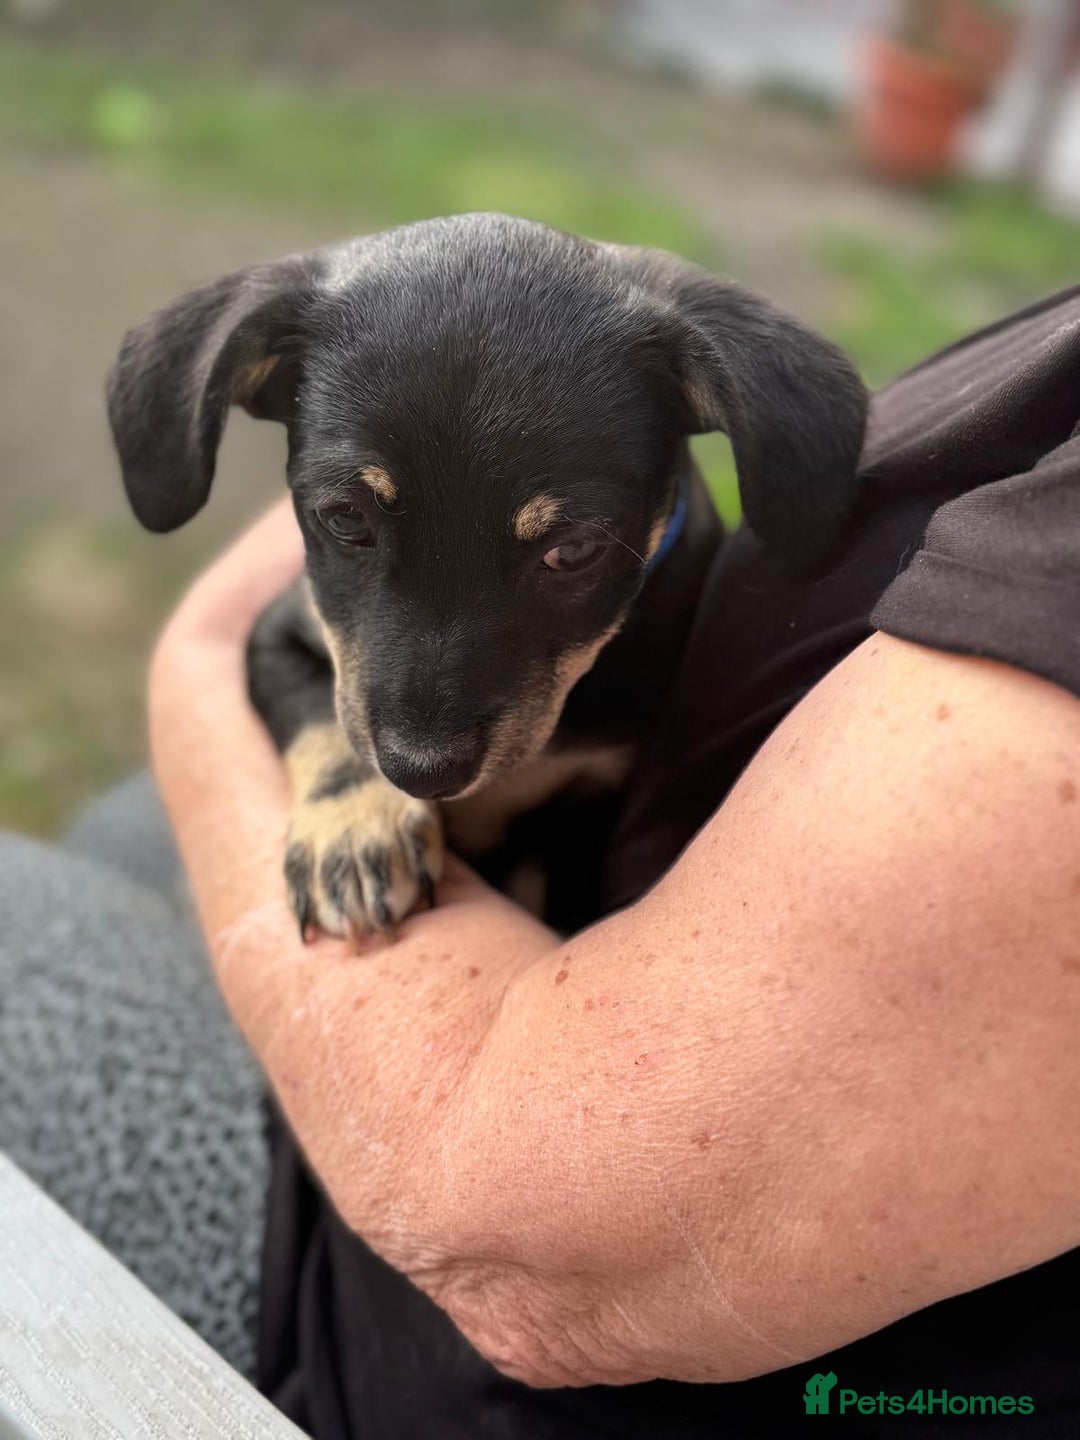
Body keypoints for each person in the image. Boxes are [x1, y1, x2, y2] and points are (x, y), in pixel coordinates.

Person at [3, 290, 1079, 1437]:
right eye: (352, 527)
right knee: (126, 827)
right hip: (504, 952)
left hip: (400, 1325)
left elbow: (523, 1253)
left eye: (565, 549)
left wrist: (200, 654)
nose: (418, 744)